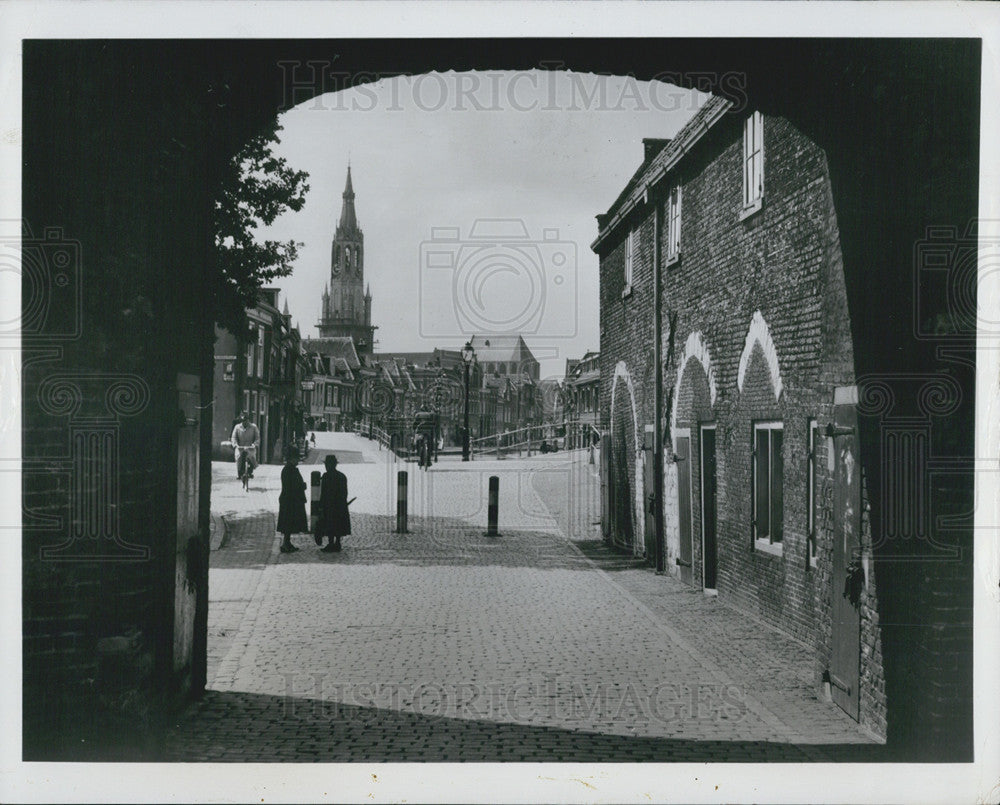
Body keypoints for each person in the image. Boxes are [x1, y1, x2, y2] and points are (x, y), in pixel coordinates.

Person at [314, 454, 351, 553]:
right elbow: (345, 492)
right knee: (338, 523)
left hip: (329, 505)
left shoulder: (326, 476)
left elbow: (324, 493)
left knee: (330, 523)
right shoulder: (342, 476)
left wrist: (321, 506)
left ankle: (331, 543)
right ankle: (337, 543)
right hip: (340, 505)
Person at [276, 449, 308, 553]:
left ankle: (287, 543)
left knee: (289, 524)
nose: (298, 460)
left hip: (290, 499)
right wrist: (303, 485)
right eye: (296, 458)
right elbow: (293, 485)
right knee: (288, 523)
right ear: (292, 459)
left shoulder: (289, 469)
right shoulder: (289, 470)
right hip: (290, 500)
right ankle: (286, 544)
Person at [231, 412, 260, 479]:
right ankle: (239, 473)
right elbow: (233, 437)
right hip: (240, 447)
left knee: (252, 456)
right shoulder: (237, 427)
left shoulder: (254, 427)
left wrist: (255, 444)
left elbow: (257, 437)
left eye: (246, 420)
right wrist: (235, 444)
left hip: (250, 447)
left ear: (248, 420)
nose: (244, 422)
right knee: (238, 457)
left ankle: (250, 471)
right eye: (243, 421)